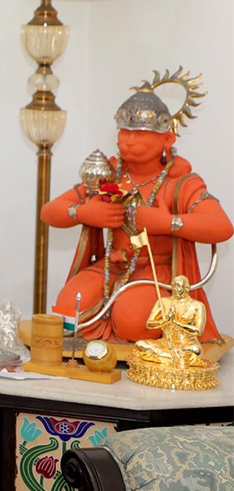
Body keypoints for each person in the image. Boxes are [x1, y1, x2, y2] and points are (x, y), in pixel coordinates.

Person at [43, 80, 229, 342]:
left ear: (168, 139)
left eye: (140, 134)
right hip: (111, 265)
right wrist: (83, 213)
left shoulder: (181, 183)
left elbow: (221, 227)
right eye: (125, 132)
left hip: (158, 271)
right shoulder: (108, 175)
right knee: (68, 307)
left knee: (132, 320)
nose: (130, 142)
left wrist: (167, 223)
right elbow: (50, 212)